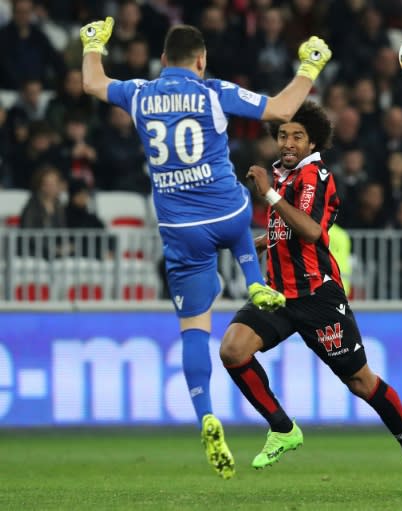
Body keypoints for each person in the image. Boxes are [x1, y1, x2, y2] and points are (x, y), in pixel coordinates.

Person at [79, 17, 332, 479]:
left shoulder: (139, 92)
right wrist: (310, 66)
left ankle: (206, 415)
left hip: (179, 227)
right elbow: (280, 108)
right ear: (201, 61)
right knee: (241, 197)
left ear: (161, 62)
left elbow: (93, 82)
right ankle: (254, 281)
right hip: (227, 215)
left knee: (194, 327)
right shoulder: (213, 90)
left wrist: (93, 44)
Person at [218, 101, 402, 496]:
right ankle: (283, 428)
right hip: (280, 295)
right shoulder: (284, 177)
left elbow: (312, 232)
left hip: (318, 296)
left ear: (312, 140)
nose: (288, 142)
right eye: (282, 134)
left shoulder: (314, 175)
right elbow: (287, 229)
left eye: (297, 135)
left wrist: (266, 194)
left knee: (360, 382)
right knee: (233, 350)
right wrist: (264, 241)